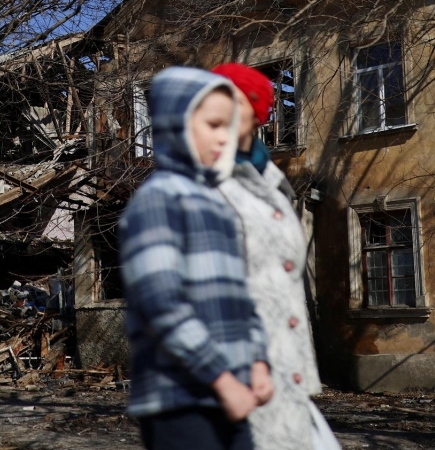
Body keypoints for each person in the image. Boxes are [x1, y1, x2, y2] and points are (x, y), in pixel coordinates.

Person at [118, 66, 273, 450]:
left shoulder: (218, 205)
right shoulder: (157, 200)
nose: (225, 137)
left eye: (229, 125)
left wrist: (257, 361)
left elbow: (242, 299)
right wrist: (221, 378)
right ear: (176, 123)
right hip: (180, 399)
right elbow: (161, 305)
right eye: (214, 125)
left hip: (232, 393)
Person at [212, 62, 340, 450]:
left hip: (285, 365)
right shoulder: (202, 181)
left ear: (256, 110)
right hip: (237, 369)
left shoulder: (274, 182)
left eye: (229, 99)